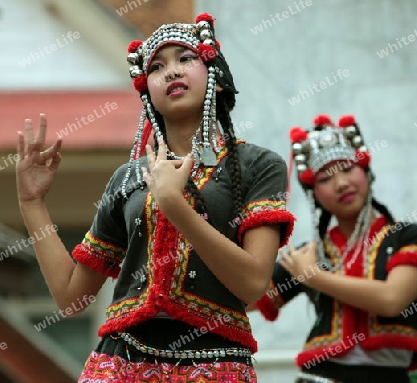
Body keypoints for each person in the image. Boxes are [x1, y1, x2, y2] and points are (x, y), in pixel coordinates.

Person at [15, 13, 295, 382]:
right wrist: (32, 203)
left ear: (217, 77)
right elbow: (73, 299)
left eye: (186, 58)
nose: (171, 71)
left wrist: (175, 206)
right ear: (147, 90)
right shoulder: (128, 177)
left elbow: (253, 283)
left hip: (214, 359)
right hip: (122, 360)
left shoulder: (257, 165)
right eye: (157, 66)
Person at [252, 114, 417, 383]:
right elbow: (249, 296)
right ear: (314, 194)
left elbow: (392, 300)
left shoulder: (409, 236)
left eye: (347, 168)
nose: (341, 183)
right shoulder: (310, 254)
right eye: (325, 178)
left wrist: (314, 276)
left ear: (365, 170)